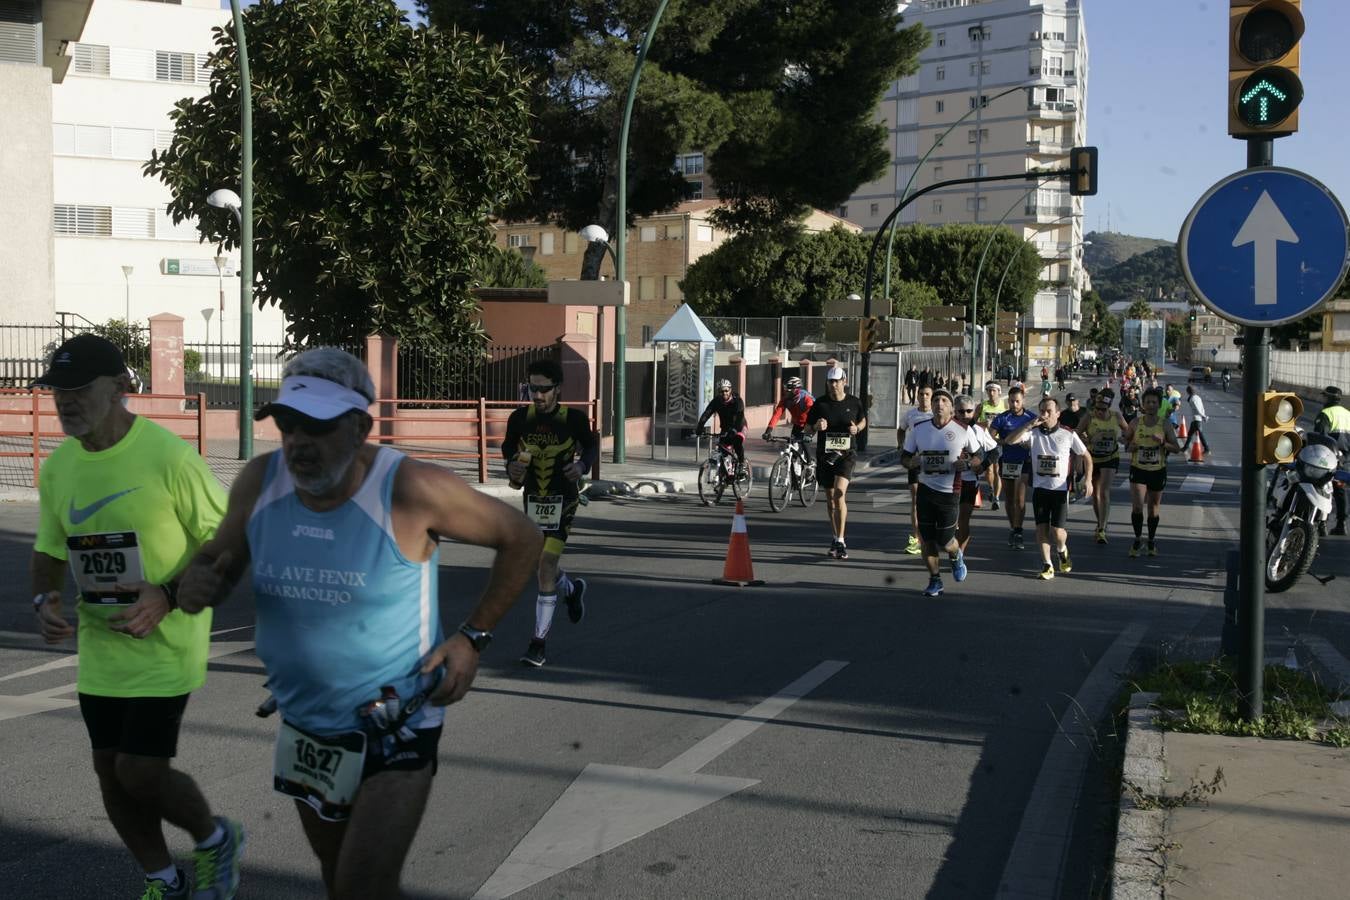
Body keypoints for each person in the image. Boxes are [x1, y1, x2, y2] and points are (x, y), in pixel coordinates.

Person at [175, 348, 543, 898]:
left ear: (359, 427)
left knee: (361, 886)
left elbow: (524, 536)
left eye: (317, 426)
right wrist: (199, 580)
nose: (298, 441)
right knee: (339, 879)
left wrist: (473, 638)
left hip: (397, 724)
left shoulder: (408, 489)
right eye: (289, 423)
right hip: (306, 728)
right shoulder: (260, 481)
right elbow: (219, 560)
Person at [29, 334, 244, 900]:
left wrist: (167, 595)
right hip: (102, 645)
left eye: (78, 390)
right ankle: (161, 878)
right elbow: (50, 550)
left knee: (139, 770)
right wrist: (44, 599)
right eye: (57, 391)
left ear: (120, 389)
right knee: (110, 772)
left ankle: (215, 837)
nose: (65, 401)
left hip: (167, 636)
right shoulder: (59, 469)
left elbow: (222, 539)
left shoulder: (169, 456)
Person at [504, 359, 600, 667]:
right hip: (533, 499)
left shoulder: (572, 419)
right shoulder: (519, 419)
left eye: (544, 389)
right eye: (533, 388)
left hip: (564, 501)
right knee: (539, 563)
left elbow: (590, 446)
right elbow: (507, 449)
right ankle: (571, 589)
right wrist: (512, 467)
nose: (537, 395)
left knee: (545, 565)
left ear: (557, 389)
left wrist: (582, 466)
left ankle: (538, 645)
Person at [900, 389, 984, 596]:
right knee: (927, 539)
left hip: (950, 492)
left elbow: (979, 456)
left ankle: (956, 556)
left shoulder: (963, 429)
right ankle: (935, 579)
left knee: (945, 541)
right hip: (925, 490)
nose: (939, 403)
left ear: (951, 407)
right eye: (936, 400)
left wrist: (967, 463)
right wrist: (913, 462)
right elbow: (904, 458)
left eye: (944, 400)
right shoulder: (918, 429)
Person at [1002, 397, 1094, 580]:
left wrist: (1088, 480)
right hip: (1040, 489)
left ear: (1058, 414)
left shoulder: (1068, 434)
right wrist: (1028, 425)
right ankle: (1047, 564)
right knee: (1041, 529)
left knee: (1057, 532)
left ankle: (1061, 549)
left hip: (1060, 490)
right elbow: (1009, 441)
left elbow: (1087, 457)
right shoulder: (1033, 433)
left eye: (1049, 411)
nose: (1044, 414)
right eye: (1042, 411)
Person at [807, 366, 867, 558]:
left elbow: (863, 421)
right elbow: (807, 429)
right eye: (830, 381)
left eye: (837, 381)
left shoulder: (854, 402)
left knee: (839, 493)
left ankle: (841, 540)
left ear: (844, 381)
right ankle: (835, 536)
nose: (833, 385)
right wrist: (816, 426)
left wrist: (857, 428)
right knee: (830, 498)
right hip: (826, 455)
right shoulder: (820, 404)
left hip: (846, 454)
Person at [1125, 387, 1182, 557]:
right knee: (1137, 507)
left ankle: (1151, 541)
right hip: (1138, 469)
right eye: (1148, 402)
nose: (1151, 405)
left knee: (1153, 508)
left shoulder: (1164, 424)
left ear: (1159, 405)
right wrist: (1130, 446)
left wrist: (1163, 443)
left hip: (1157, 470)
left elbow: (1177, 448)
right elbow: (1125, 442)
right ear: (1143, 405)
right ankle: (1137, 539)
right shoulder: (1136, 423)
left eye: (1154, 402)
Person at [989, 386, 1038, 549]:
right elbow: (990, 436)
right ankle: (1013, 527)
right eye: (1011, 401)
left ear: (1023, 400)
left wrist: (1030, 445)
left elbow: (1040, 436)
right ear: (1008, 401)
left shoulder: (1031, 417)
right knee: (1009, 498)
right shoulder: (1003, 418)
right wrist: (1002, 442)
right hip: (1007, 460)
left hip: (1024, 461)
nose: (1014, 404)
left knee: (1020, 498)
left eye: (1017, 401)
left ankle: (1018, 529)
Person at [1079, 388, 1129, 543]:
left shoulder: (1116, 416)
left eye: (1103, 409)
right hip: (1093, 458)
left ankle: (1102, 528)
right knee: (1095, 494)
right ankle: (1100, 522)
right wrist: (1089, 440)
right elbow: (1076, 434)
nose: (1099, 411)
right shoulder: (1089, 417)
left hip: (1110, 457)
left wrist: (1123, 439)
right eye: (1097, 408)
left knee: (1104, 492)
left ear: (1109, 406)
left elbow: (1129, 431)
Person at [952, 395, 1000, 556]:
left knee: (964, 519)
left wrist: (983, 466)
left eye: (969, 411)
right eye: (961, 411)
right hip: (946, 481)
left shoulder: (978, 430)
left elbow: (995, 451)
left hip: (969, 480)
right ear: (954, 411)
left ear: (974, 412)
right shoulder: (947, 427)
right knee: (949, 520)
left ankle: (959, 554)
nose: (965, 414)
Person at [897, 385, 934, 555]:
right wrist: (901, 445)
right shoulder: (911, 414)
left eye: (927, 394)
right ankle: (916, 538)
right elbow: (901, 429)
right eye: (921, 394)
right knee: (916, 500)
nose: (924, 397)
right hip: (916, 460)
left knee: (936, 498)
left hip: (935, 461)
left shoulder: (937, 414)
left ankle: (937, 531)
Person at [1314, 385, 1350, 535]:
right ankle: (1342, 524)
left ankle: (1321, 524)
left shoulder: (1325, 413)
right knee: (1340, 490)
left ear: (1328, 398)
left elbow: (1320, 436)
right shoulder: (1347, 413)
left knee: (1321, 488)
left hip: (1328, 457)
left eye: (1324, 396)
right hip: (1346, 458)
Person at [696, 378, 747, 476]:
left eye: (726, 390)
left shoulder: (737, 401)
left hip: (740, 426)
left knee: (737, 441)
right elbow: (706, 414)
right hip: (726, 428)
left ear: (730, 390)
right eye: (721, 391)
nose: (724, 393)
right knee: (722, 449)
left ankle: (741, 465)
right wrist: (700, 426)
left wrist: (735, 429)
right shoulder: (717, 401)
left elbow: (740, 416)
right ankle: (724, 477)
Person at [977, 382, 1008, 509]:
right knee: (989, 470)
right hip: (986, 442)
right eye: (989, 390)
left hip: (999, 442)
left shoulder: (1004, 405)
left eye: (994, 390)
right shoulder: (982, 406)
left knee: (997, 470)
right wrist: (984, 423)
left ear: (999, 392)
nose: (991, 393)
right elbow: (973, 423)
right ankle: (990, 488)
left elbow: (1009, 422)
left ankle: (996, 498)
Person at [762, 375, 815, 452]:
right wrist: (768, 431)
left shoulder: (806, 398)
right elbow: (776, 415)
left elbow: (813, 413)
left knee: (804, 440)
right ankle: (793, 460)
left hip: (810, 423)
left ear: (796, 390)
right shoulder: (785, 400)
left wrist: (810, 429)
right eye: (785, 389)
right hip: (798, 423)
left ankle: (809, 462)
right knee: (792, 443)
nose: (785, 391)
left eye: (788, 389)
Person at [1181, 385, 1210, 455]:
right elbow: (1202, 408)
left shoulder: (1193, 399)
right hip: (1196, 419)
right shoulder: (1198, 397)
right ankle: (1185, 448)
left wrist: (1204, 416)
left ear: (1188, 392)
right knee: (1190, 434)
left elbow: (1198, 409)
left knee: (1200, 434)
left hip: (1196, 419)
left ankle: (1207, 449)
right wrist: (1203, 415)